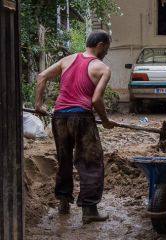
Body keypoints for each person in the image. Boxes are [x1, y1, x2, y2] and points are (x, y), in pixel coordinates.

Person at [35, 30, 115, 224]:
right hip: (81, 118)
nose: (106, 53)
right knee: (91, 163)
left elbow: (41, 76)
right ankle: (89, 210)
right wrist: (105, 121)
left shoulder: (67, 60)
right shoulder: (102, 68)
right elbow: (96, 99)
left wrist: (39, 105)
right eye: (107, 48)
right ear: (101, 45)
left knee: (64, 160)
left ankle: (63, 202)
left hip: (60, 117)